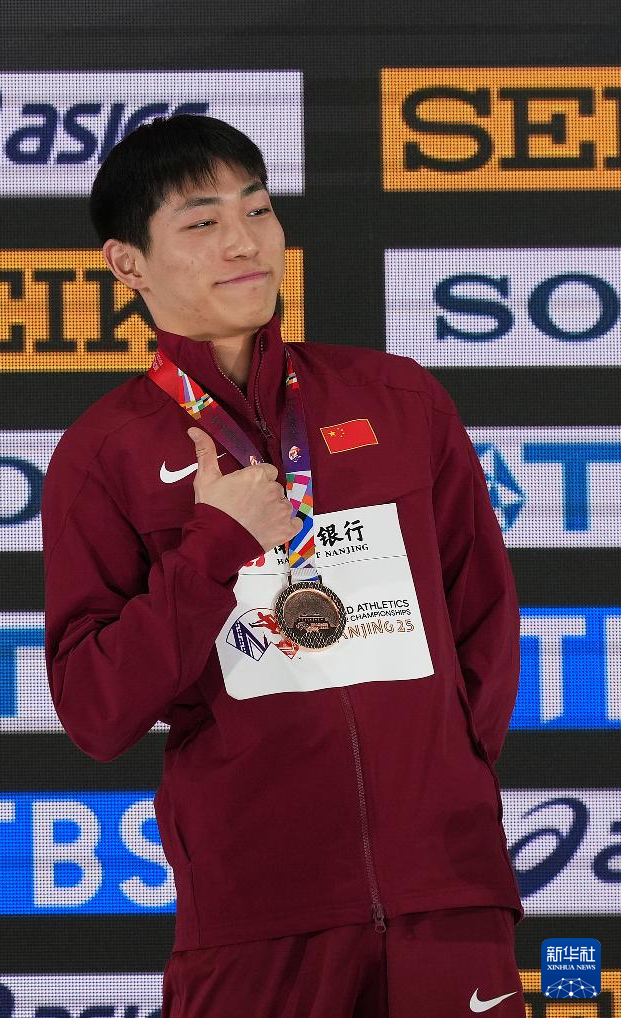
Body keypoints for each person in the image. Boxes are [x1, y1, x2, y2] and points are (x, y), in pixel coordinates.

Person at [42, 114, 525, 1017]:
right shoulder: (103, 453)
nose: (245, 242)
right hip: (256, 917)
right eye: (202, 221)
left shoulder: (398, 397)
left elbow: (484, 619)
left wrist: (445, 784)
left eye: (257, 209)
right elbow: (96, 710)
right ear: (126, 263)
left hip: (447, 895)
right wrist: (217, 544)